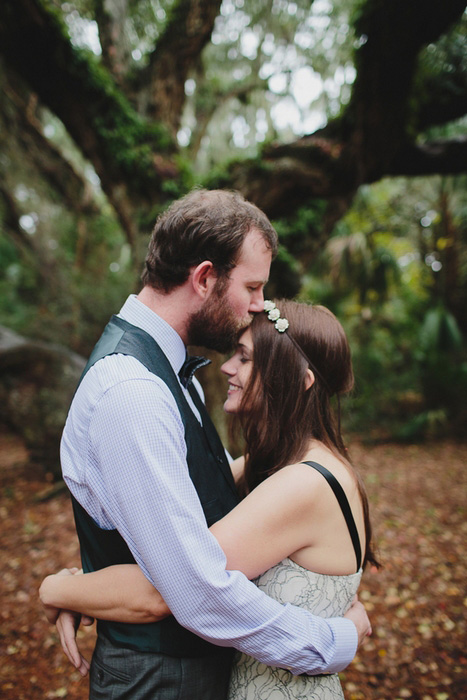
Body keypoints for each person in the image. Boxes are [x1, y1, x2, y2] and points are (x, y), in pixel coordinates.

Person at [41, 190, 371, 699]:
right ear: (204, 278)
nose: (260, 305)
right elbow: (193, 587)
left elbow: (205, 490)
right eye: (253, 286)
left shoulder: (175, 373)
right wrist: (329, 642)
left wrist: (74, 588)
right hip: (158, 676)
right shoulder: (132, 393)